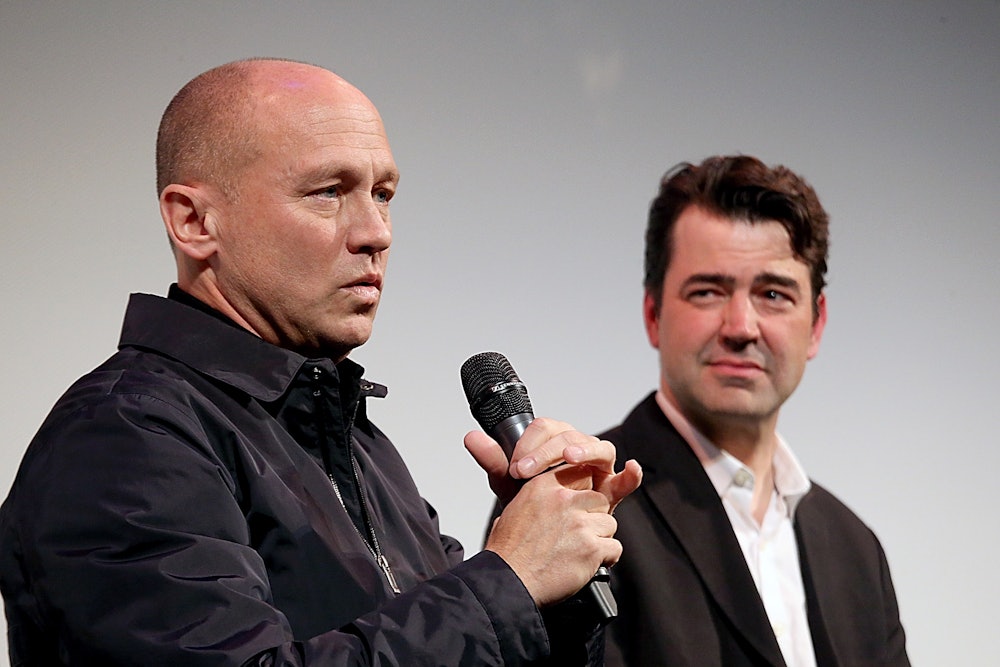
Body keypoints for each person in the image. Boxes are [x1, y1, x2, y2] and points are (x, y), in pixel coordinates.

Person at [0, 58, 642, 666]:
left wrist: (554, 590)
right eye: (328, 192)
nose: (376, 232)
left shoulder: (354, 442)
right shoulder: (122, 438)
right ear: (193, 221)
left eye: (384, 193)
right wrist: (506, 582)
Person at [602, 155, 909, 666]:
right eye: (707, 291)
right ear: (653, 314)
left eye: (772, 294)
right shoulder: (582, 507)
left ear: (816, 324)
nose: (741, 326)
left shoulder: (858, 554)